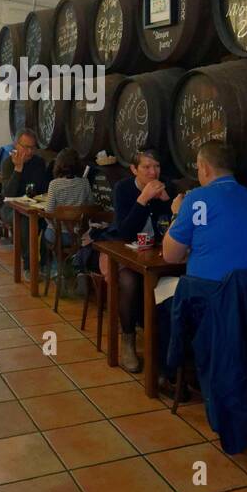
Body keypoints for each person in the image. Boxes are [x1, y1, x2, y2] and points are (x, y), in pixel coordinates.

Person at [157, 141, 247, 389]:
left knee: (158, 296)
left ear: (204, 168)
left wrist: (177, 213)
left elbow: (169, 254)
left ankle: (171, 375)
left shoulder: (196, 199)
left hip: (213, 300)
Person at [99, 149, 174, 372]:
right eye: (146, 167)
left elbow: (172, 229)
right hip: (124, 250)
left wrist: (167, 203)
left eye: (157, 167)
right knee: (129, 281)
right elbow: (125, 232)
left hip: (156, 254)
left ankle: (162, 347)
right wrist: (143, 200)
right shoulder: (123, 189)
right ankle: (128, 339)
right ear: (134, 169)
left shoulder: (166, 187)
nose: (153, 172)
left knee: (169, 281)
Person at [0, 129, 51, 274]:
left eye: (32, 148)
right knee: (24, 221)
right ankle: (30, 266)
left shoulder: (39, 162)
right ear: (16, 145)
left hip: (34, 206)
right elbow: (8, 194)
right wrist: (18, 169)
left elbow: (43, 188)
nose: (29, 151)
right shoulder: (8, 164)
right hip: (10, 208)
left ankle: (45, 264)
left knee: (50, 221)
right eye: (25, 147)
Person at [41, 148, 94, 255]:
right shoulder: (84, 183)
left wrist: (54, 224)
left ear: (59, 164)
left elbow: (49, 212)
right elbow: (90, 205)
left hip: (59, 234)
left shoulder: (54, 184)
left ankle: (55, 265)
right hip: (79, 233)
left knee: (43, 230)